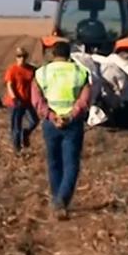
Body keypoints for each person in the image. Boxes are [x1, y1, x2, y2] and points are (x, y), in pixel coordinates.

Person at [32, 41, 91, 220]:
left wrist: (50, 116)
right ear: (69, 54)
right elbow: (85, 99)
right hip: (72, 124)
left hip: (51, 124)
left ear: (52, 54)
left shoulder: (41, 73)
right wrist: (71, 115)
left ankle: (57, 198)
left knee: (54, 162)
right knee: (71, 163)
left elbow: (36, 99)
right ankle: (61, 200)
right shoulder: (80, 72)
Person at [3, 47, 39, 154]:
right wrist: (14, 98)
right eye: (19, 56)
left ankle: (26, 133)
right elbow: (9, 85)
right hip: (15, 102)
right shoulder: (12, 70)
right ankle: (17, 148)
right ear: (16, 57)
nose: (21, 58)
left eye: (23, 56)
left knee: (34, 121)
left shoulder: (31, 70)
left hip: (27, 101)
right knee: (16, 126)